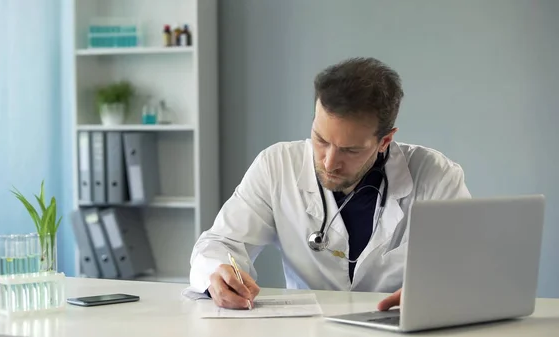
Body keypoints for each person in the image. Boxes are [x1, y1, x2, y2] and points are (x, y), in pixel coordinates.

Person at [188, 57, 471, 310]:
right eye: (321, 140)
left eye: (350, 150)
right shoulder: (277, 166)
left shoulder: (435, 176)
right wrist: (219, 272)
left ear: (385, 140)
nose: (329, 162)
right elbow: (221, 241)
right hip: (310, 329)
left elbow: (470, 264)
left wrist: (438, 293)